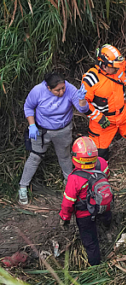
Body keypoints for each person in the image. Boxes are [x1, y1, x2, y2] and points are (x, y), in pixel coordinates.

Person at [18, 72, 89, 205]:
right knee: (35, 157)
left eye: (63, 88)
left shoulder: (70, 89)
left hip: (63, 130)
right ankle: (23, 186)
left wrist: (82, 100)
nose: (62, 92)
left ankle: (70, 187)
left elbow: (83, 109)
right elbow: (28, 107)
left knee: (65, 157)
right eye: (57, 90)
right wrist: (31, 125)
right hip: (42, 130)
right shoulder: (38, 91)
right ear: (48, 88)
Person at [59, 137, 112, 266]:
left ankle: (95, 266)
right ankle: (108, 227)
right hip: (104, 204)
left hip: (85, 214)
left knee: (90, 241)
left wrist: (64, 218)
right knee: (106, 217)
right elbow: (107, 177)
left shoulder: (74, 178)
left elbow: (68, 202)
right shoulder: (102, 163)